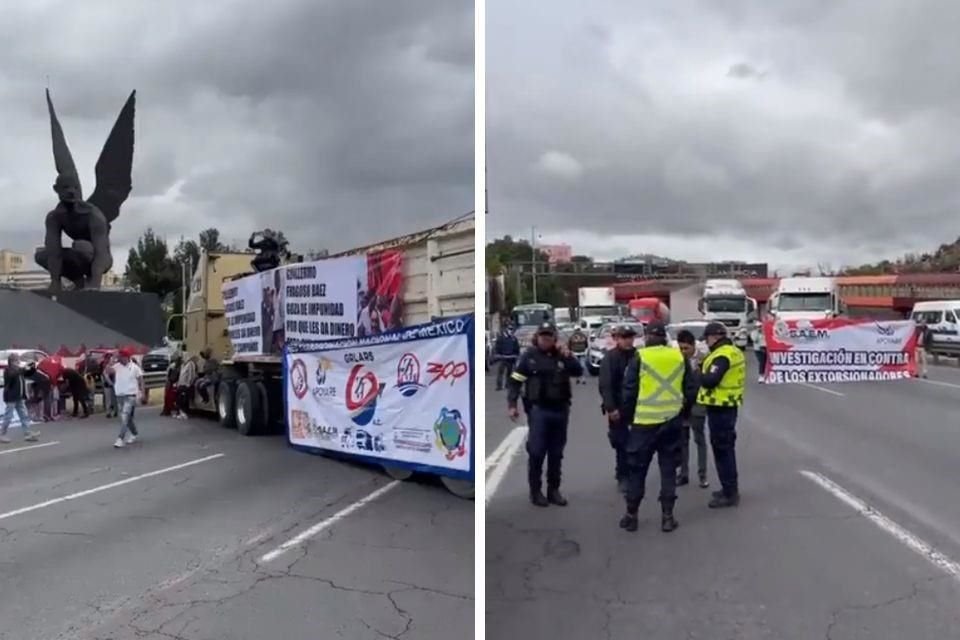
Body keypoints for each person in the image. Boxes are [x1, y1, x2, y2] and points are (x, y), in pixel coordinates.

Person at [619, 321, 695, 533]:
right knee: (668, 470)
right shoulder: (678, 356)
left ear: (647, 337)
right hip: (671, 422)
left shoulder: (640, 357)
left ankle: (631, 515)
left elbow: (629, 391)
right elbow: (690, 389)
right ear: (665, 337)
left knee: (637, 470)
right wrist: (683, 412)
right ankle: (667, 517)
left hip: (644, 424)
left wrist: (628, 418)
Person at [507, 322, 583, 507]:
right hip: (539, 410)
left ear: (554, 339)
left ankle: (553, 490)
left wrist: (569, 356)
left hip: (560, 409)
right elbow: (515, 380)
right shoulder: (529, 356)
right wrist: (512, 404)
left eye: (549, 337)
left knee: (556, 453)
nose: (546, 340)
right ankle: (535, 492)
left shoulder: (562, 356)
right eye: (543, 336)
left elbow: (578, 371)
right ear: (537, 337)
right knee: (537, 452)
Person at [698, 322, 746, 509]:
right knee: (725, 450)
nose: (706, 342)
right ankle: (729, 489)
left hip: (721, 409)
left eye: (707, 338)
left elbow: (710, 380)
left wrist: (698, 372)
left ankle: (730, 493)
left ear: (714, 337)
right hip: (727, 407)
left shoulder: (723, 355)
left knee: (723, 451)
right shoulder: (733, 351)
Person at [598, 325, 638, 494]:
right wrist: (611, 408)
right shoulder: (611, 358)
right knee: (621, 443)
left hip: (637, 407)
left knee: (636, 443)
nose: (628, 340)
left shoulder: (638, 356)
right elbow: (605, 384)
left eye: (630, 337)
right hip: (618, 408)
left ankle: (633, 473)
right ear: (617, 339)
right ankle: (622, 475)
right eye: (624, 337)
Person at [675, 330, 709, 489]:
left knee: (699, 439)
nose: (683, 352)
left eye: (686, 349)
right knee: (682, 440)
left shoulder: (704, 358)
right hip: (682, 403)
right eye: (681, 348)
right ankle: (683, 473)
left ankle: (702, 475)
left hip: (699, 403)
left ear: (693, 346)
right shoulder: (677, 359)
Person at [109, 347, 144, 448]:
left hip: (130, 395)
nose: (120, 358)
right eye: (119, 356)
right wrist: (112, 360)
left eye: (122, 356)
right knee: (127, 418)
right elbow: (107, 371)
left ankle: (120, 438)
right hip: (119, 395)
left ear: (127, 357)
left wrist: (142, 392)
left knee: (125, 416)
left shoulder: (135, 367)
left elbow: (141, 379)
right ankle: (134, 433)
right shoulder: (117, 366)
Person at [1, 354, 40, 443]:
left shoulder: (18, 370)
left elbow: (28, 373)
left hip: (19, 397)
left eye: (18, 360)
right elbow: (13, 375)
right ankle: (2, 434)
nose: (18, 361)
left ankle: (27, 434)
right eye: (16, 360)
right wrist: (24, 367)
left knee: (24, 415)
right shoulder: (8, 370)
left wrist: (31, 366)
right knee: (8, 416)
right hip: (11, 397)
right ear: (11, 362)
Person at [493, 325, 521, 391]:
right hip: (503, 358)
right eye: (509, 329)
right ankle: (499, 386)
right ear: (506, 329)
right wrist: (497, 354)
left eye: (511, 329)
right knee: (500, 373)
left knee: (509, 372)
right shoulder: (501, 338)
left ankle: (507, 385)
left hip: (511, 358)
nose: (511, 331)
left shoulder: (513, 338)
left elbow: (517, 347)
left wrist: (516, 355)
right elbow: (497, 347)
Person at [176, 353, 201, 419]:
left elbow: (191, 374)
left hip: (186, 384)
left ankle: (184, 412)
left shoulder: (190, 364)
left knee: (184, 399)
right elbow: (181, 375)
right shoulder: (182, 365)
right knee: (179, 398)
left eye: (183, 357)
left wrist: (189, 383)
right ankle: (180, 412)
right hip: (181, 384)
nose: (182, 359)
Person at [751, 318, 768, 383]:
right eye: (758, 327)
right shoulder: (754, 333)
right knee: (762, 361)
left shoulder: (766, 332)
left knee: (767, 362)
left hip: (766, 348)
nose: (760, 328)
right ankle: (761, 376)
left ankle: (767, 375)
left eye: (761, 326)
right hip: (758, 349)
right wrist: (759, 333)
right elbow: (754, 339)